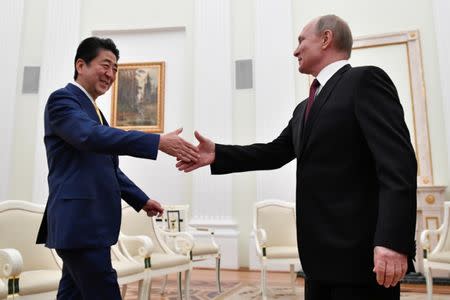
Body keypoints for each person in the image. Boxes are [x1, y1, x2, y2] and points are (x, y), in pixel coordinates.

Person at [177, 15, 417, 300]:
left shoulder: (364, 80)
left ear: (326, 39)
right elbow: (273, 153)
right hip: (317, 257)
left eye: (302, 40)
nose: (295, 50)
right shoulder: (304, 107)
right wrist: (218, 154)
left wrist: (392, 241)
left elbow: (398, 165)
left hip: (360, 256)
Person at [36, 36, 199, 300]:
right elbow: (89, 137)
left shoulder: (95, 112)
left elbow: (107, 167)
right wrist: (156, 141)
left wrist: (141, 200)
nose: (111, 74)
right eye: (105, 65)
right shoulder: (62, 101)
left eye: (115, 68)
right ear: (81, 65)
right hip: (80, 224)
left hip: (85, 225)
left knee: (73, 295)